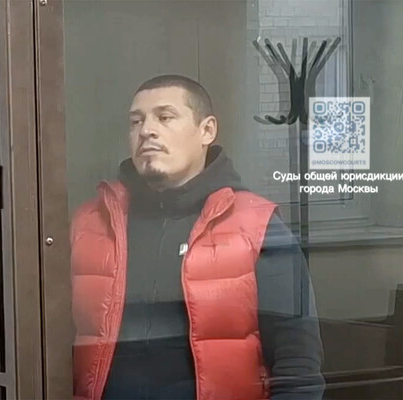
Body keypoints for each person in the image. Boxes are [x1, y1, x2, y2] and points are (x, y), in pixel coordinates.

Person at [70, 75, 324, 400]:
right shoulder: (89, 225)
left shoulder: (257, 226)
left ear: (207, 130)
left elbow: (298, 365)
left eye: (165, 117)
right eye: (136, 121)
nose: (146, 130)